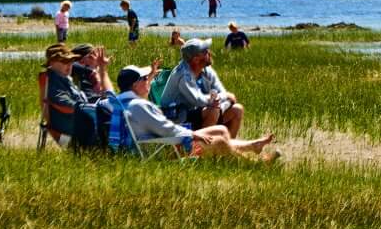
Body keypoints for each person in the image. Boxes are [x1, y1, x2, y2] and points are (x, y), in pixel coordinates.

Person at [112, 65, 273, 160]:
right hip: (162, 149)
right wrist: (193, 135)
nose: (149, 81)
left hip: (148, 145)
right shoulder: (139, 105)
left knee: (221, 130)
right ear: (135, 84)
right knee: (219, 141)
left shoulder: (118, 102)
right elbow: (168, 129)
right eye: (145, 78)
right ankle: (254, 164)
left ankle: (253, 145)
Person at [159, 38, 243, 138]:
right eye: (205, 51)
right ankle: (201, 149)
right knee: (213, 111)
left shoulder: (206, 69)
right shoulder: (182, 75)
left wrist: (222, 100)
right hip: (177, 117)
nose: (209, 52)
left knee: (237, 109)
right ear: (195, 59)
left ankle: (228, 148)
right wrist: (223, 98)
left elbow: (221, 92)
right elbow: (198, 100)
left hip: (197, 112)